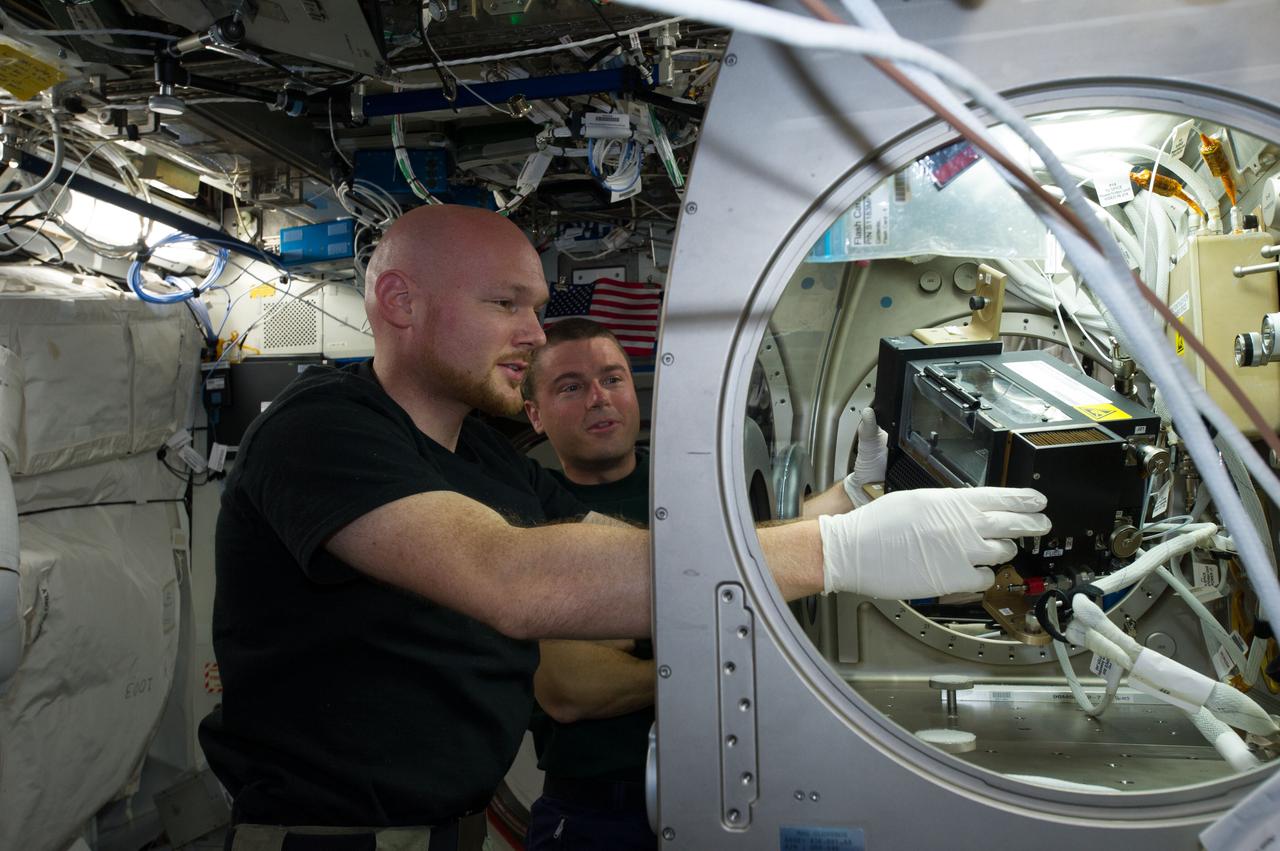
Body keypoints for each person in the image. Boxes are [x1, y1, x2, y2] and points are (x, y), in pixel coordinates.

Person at [199, 204, 1050, 851]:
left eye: (537, 308)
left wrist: (854, 498)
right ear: (398, 301)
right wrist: (837, 553)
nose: (533, 334)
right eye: (507, 303)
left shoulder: (487, 464)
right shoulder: (323, 432)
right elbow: (518, 580)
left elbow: (651, 558)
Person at [518, 319, 894, 850]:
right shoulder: (531, 514)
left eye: (613, 379)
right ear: (534, 414)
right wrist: (734, 661)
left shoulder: (693, 481)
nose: (599, 399)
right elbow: (573, 689)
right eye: (571, 387)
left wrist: (855, 493)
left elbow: (761, 541)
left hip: (739, 795)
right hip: (599, 813)